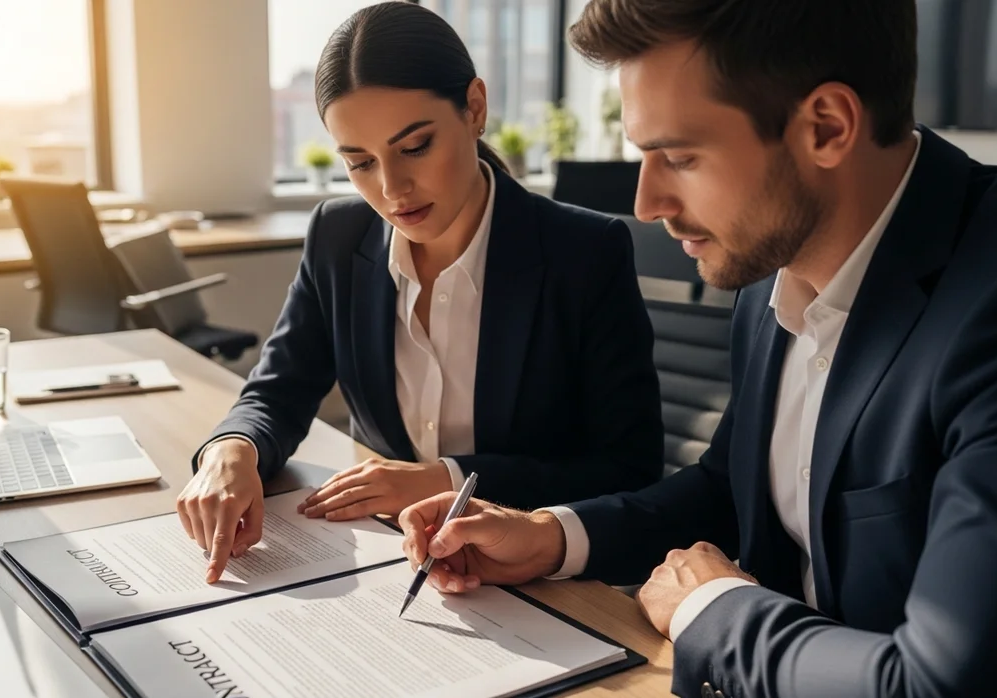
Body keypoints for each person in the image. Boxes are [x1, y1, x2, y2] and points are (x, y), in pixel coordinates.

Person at [398, 0, 997, 696]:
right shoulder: (773, 269)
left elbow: (946, 683)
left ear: (827, 127)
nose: (647, 200)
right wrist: (552, 537)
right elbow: (733, 487)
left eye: (679, 156)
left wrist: (708, 608)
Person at [178, 2, 665, 586]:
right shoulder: (338, 236)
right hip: (393, 554)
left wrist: (448, 478)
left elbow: (629, 468)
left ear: (475, 109)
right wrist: (232, 449)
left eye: (414, 148)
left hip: (536, 576)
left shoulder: (584, 251)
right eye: (359, 162)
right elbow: (277, 392)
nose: (391, 189)